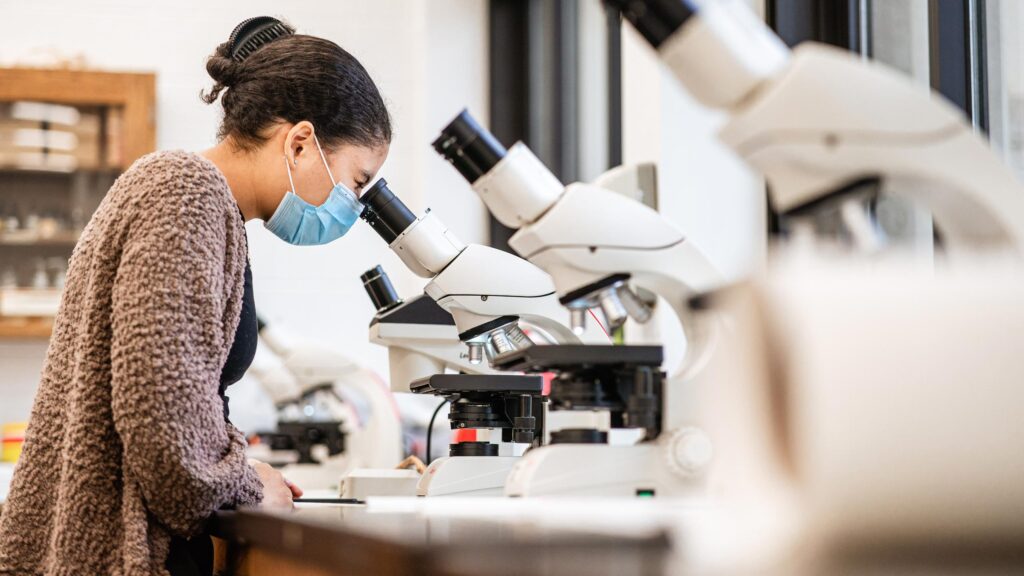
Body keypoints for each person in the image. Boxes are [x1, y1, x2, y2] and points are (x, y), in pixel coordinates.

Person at [0, 16, 391, 576]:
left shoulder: (197, 200)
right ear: (301, 142)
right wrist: (247, 482)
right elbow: (161, 422)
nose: (353, 206)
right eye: (357, 182)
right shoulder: (187, 195)